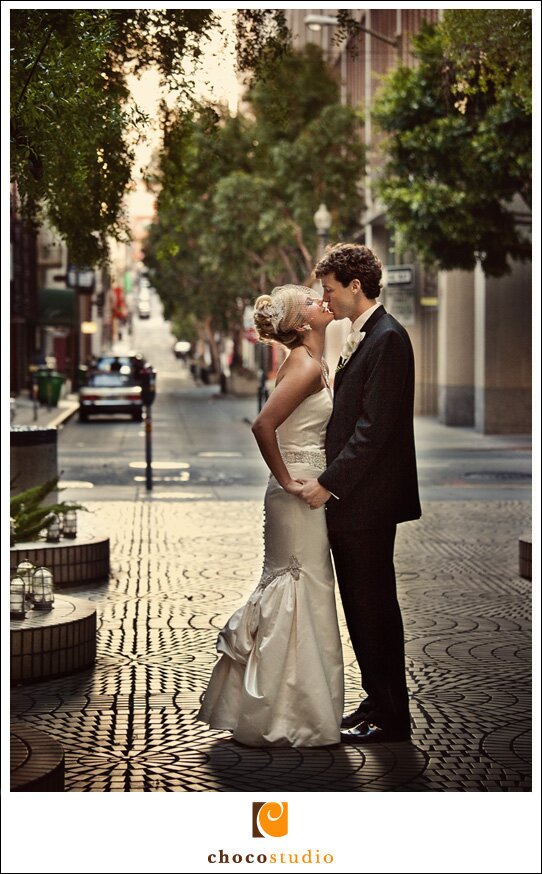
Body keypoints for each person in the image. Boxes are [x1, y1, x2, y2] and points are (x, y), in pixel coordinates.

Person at [197, 285, 344, 747]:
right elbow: (263, 425)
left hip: (305, 486)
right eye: (308, 301)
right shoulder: (302, 363)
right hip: (298, 491)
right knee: (295, 588)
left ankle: (290, 708)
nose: (318, 300)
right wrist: (285, 479)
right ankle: (286, 715)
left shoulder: (311, 358)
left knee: (303, 589)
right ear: (301, 325)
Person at [299, 243, 421, 745]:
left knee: (373, 608)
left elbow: (372, 431)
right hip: (358, 503)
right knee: (362, 605)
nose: (325, 298)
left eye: (330, 288)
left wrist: (328, 484)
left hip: (367, 505)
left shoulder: (387, 339)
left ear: (355, 286)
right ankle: (377, 700)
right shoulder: (364, 336)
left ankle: (392, 717)